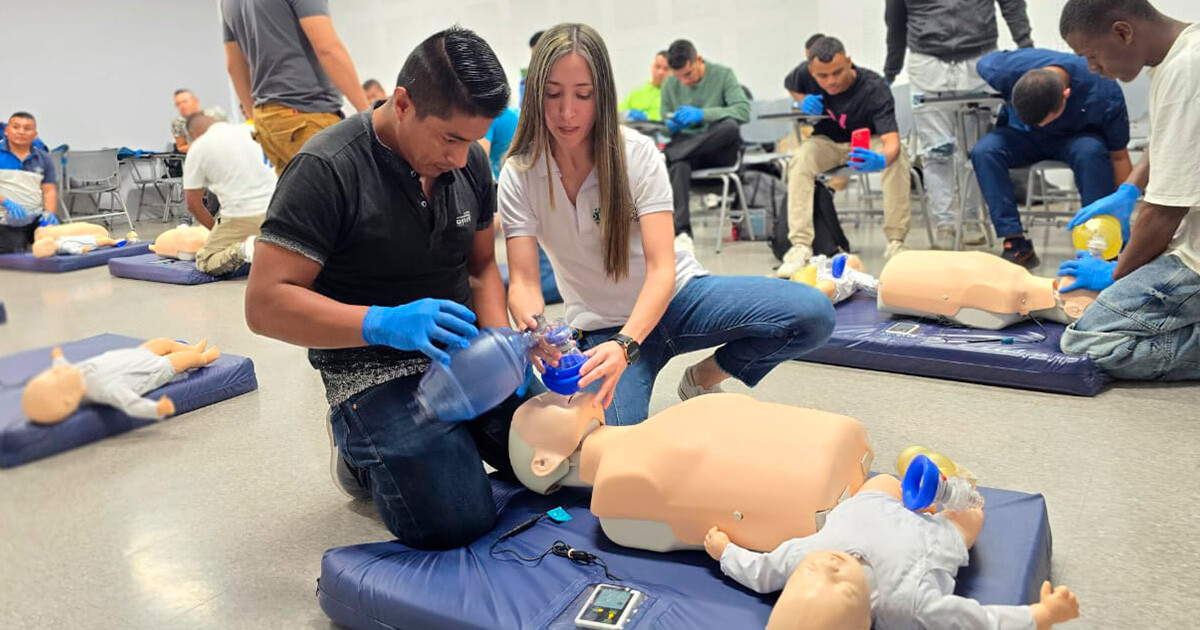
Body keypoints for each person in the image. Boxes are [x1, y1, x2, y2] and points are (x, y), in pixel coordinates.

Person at [244, 26, 530, 549]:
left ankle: (443, 438)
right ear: (402, 103)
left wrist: (501, 350)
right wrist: (380, 321)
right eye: (450, 138)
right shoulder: (327, 168)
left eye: (473, 141)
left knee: (552, 453)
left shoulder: (472, 164)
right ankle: (358, 453)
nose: (462, 158)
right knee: (455, 517)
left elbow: (483, 267)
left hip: (458, 352)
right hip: (368, 366)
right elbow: (264, 304)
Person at [500, 23, 835, 425]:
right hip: (601, 328)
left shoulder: (635, 155)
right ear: (535, 94)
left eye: (583, 95)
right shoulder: (521, 173)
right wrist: (535, 328)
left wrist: (627, 344)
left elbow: (662, 268)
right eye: (553, 94)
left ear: (602, 95)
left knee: (812, 313)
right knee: (611, 443)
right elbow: (522, 281)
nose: (567, 111)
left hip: (678, 300)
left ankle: (704, 378)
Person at [704, 473, 1081, 630]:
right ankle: (946, 497)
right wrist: (1041, 614)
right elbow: (975, 620)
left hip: (871, 508)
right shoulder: (908, 603)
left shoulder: (799, 559)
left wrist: (724, 552)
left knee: (882, 479)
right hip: (927, 538)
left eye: (810, 574)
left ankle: (910, 489)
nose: (829, 566)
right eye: (844, 585)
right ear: (867, 616)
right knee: (972, 517)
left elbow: (758, 571)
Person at [1057, 0, 1200, 380]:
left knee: (1087, 339)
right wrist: (1129, 191)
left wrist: (1116, 275)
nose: (1092, 69)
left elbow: (1164, 214)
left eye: (1091, 55)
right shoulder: (1181, 55)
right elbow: (1170, 139)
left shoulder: (1187, 71)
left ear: (1123, 32)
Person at [884, 0, 1035, 249]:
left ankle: (972, 219)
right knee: (935, 152)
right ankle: (945, 223)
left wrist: (1026, 47)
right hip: (927, 64)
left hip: (979, 61)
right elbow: (895, 22)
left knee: (976, 151)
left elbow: (1012, 5)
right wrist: (891, 70)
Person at [971, 48, 1131, 269]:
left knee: (1091, 152)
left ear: (1066, 95)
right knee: (985, 150)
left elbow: (1119, 156)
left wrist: (1123, 208)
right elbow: (983, 60)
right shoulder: (1004, 70)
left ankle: (1099, 244)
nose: (1041, 125)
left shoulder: (1103, 90)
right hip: (1023, 138)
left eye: (1044, 120)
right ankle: (1015, 242)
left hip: (1075, 139)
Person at [776, 37, 911, 278]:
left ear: (849, 61)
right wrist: (801, 100)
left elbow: (891, 142)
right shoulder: (804, 74)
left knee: (898, 157)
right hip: (828, 142)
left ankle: (895, 242)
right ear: (812, 71)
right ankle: (800, 247)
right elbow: (791, 84)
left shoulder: (874, 87)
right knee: (800, 158)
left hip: (870, 140)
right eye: (823, 77)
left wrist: (882, 159)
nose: (832, 81)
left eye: (838, 72)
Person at [221, 0, 370, 175]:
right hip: (306, 115)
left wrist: (256, 119)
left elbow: (235, 67)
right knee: (350, 195)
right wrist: (368, 116)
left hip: (268, 120)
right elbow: (327, 48)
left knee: (308, 200)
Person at [660, 39, 751, 252]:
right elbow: (665, 126)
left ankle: (670, 154)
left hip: (718, 149)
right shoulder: (669, 85)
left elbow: (743, 111)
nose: (684, 81)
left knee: (729, 128)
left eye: (688, 74)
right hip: (688, 154)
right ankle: (682, 234)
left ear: (698, 60)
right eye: (678, 76)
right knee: (679, 164)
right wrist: (670, 126)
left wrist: (703, 115)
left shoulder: (723, 74)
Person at [182, 112, 276, 276]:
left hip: (242, 216)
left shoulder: (198, 147)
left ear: (192, 134)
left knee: (205, 260)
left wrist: (214, 232)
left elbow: (193, 205)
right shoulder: (252, 129)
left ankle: (246, 249)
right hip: (279, 211)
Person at [0, 112, 59, 253]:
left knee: (60, 239)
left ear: (34, 134)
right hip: (4, 217)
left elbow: (49, 190)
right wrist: (6, 203)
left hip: (35, 216)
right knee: (13, 248)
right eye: (16, 127)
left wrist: (50, 214)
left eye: (27, 129)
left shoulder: (43, 158)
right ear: (6, 131)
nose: (21, 132)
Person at [620, 50, 670, 122]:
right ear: (652, 67)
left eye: (666, 69)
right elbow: (614, 115)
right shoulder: (635, 94)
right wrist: (626, 114)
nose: (660, 72)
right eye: (657, 66)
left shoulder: (674, 97)